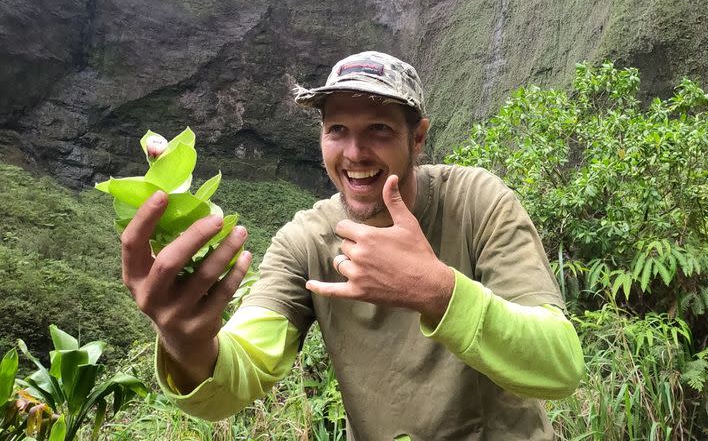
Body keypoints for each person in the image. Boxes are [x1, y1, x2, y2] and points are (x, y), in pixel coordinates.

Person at [121, 51, 584, 440]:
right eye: (337, 129)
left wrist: (439, 292)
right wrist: (187, 342)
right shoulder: (305, 243)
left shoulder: (476, 201)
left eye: (379, 129)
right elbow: (237, 375)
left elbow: (559, 364)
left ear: (418, 137)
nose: (355, 153)